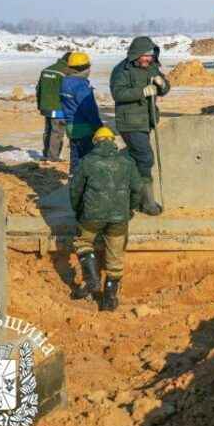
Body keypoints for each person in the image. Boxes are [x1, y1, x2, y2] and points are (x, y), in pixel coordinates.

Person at [69, 127, 143, 311]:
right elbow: (138, 189)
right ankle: (109, 298)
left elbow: (75, 190)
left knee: (83, 242)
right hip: (119, 218)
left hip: (92, 216)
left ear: (96, 142)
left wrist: (78, 211)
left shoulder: (87, 161)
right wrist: (129, 209)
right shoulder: (127, 162)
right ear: (113, 141)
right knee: (115, 257)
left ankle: (92, 279)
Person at [110, 36, 169, 215]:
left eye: (151, 56)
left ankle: (121, 184)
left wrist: (162, 84)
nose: (148, 59)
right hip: (129, 122)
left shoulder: (152, 67)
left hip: (146, 121)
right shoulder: (122, 70)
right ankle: (147, 202)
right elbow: (118, 94)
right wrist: (141, 92)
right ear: (136, 54)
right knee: (145, 159)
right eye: (145, 56)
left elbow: (165, 89)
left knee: (136, 157)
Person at [59, 52, 103, 174]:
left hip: (71, 127)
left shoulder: (64, 82)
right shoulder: (81, 86)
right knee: (88, 158)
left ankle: (73, 180)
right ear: (85, 68)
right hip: (84, 128)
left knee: (75, 157)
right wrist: (99, 127)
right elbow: (89, 110)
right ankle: (85, 183)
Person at [35, 51, 71, 162]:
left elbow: (38, 88)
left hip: (45, 106)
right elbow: (68, 92)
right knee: (57, 132)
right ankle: (53, 157)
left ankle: (46, 155)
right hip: (58, 107)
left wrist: (40, 104)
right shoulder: (65, 72)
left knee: (48, 130)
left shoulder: (46, 70)